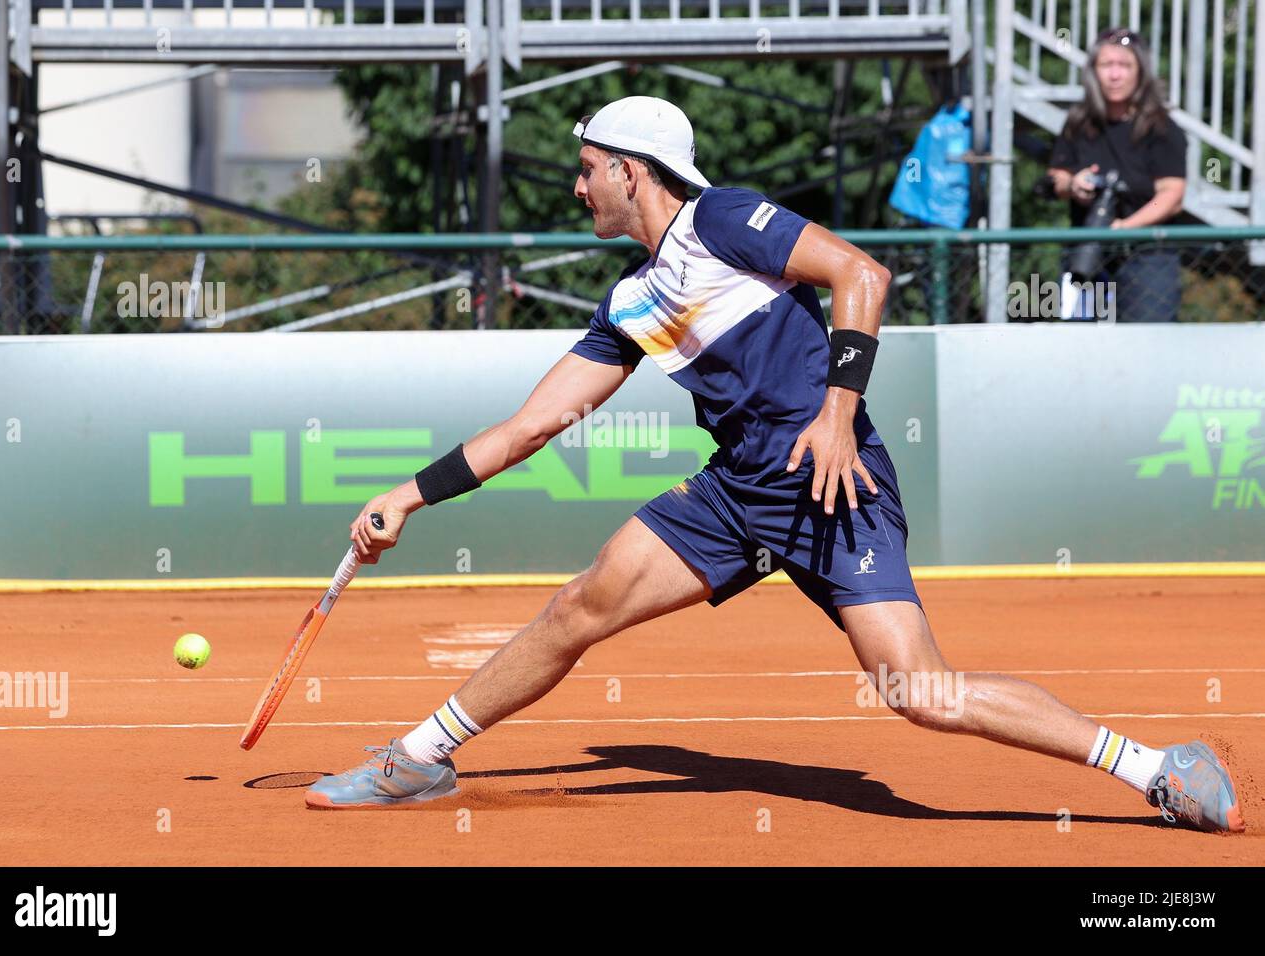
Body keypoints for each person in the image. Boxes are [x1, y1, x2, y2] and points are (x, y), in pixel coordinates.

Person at [306, 95, 1243, 834]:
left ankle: (1158, 768)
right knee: (580, 603)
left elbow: (861, 276)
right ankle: (422, 756)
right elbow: (527, 428)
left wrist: (837, 416)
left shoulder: (721, 219)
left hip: (836, 482)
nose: (578, 188)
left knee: (917, 690)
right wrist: (408, 496)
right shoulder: (631, 301)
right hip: (738, 492)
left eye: (589, 172)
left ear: (633, 172)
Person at [1047, 28, 1187, 322]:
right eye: (1106, 65)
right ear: (1093, 72)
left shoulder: (1160, 127)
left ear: (1140, 72)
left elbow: (1172, 196)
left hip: (1148, 256)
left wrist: (1124, 227)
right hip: (1087, 254)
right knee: (1080, 350)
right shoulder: (1078, 122)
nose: (1115, 75)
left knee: (1145, 350)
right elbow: (1055, 177)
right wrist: (1073, 184)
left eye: (1124, 66)